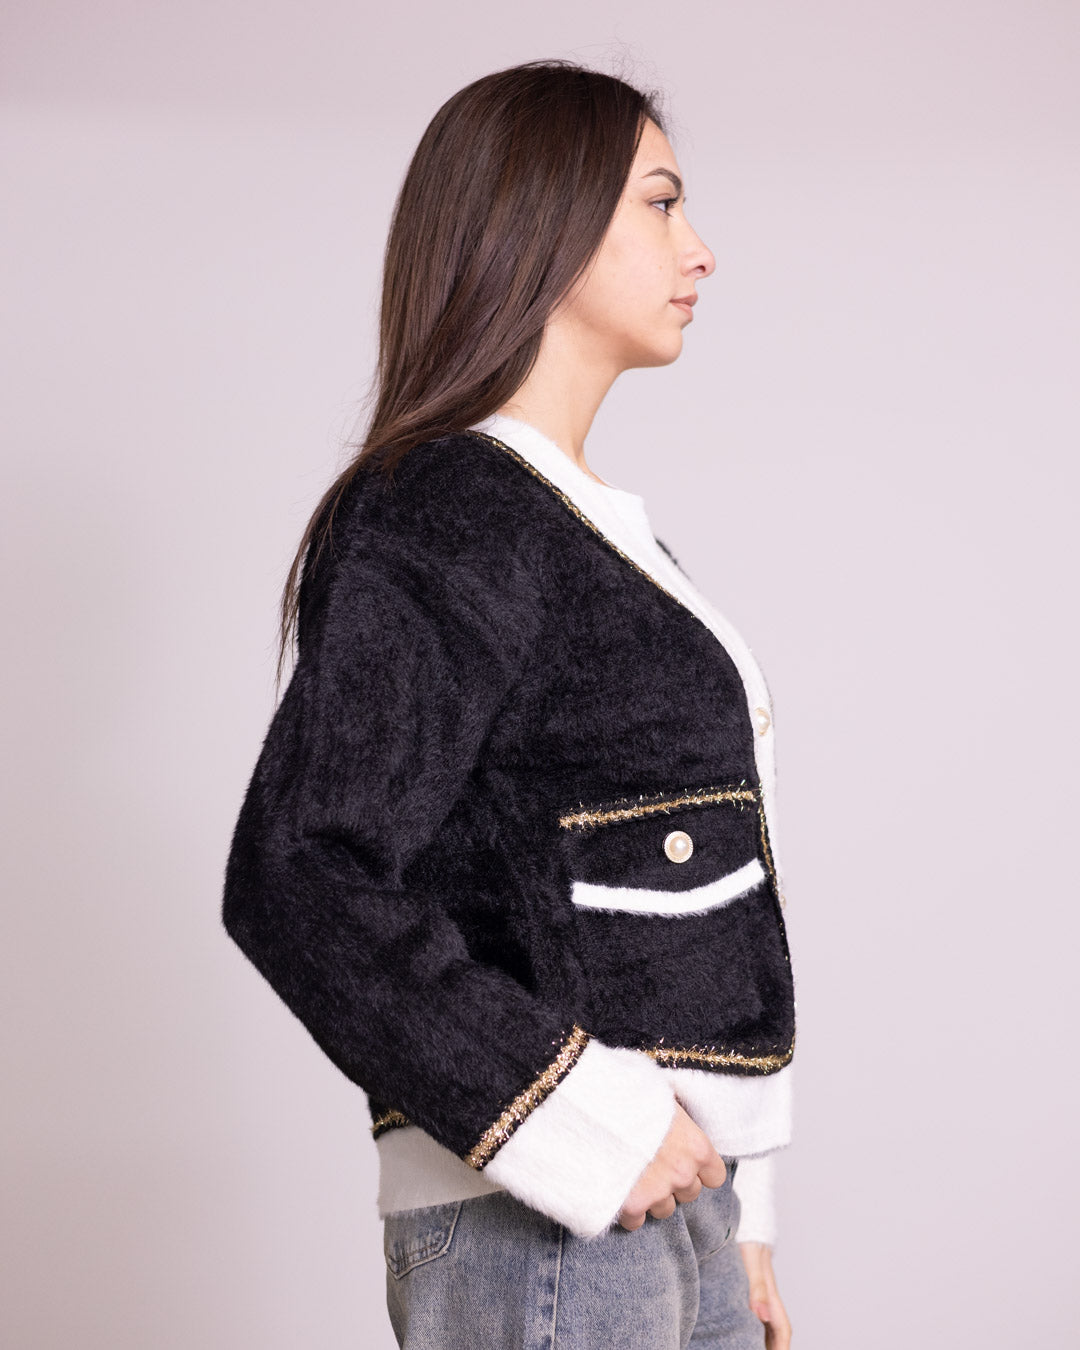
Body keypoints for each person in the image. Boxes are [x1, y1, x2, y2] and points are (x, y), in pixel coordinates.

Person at [222, 59, 795, 1349]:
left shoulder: (585, 527)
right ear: (544, 219)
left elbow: (696, 890)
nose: (699, 249)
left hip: (670, 1205)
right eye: (661, 203)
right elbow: (298, 872)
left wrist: (744, 1207)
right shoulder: (450, 512)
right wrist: (577, 1122)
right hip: (547, 1223)